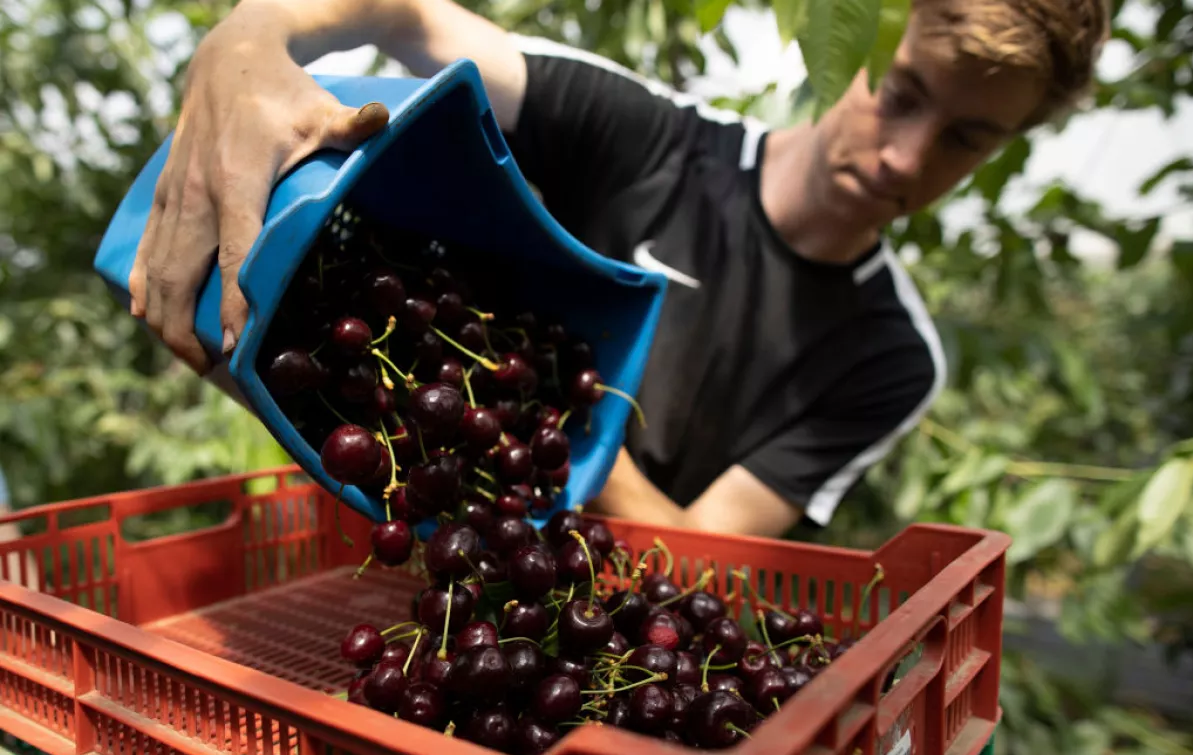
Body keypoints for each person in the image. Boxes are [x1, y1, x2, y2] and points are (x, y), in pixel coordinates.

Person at [127, 0, 1108, 539]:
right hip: (413, 544)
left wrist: (562, 432)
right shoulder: (649, 136)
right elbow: (408, 15)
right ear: (857, 42)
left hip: (555, 617)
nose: (905, 155)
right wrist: (247, 40)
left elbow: (703, 558)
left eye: (966, 139)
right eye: (901, 93)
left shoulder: (889, 354)